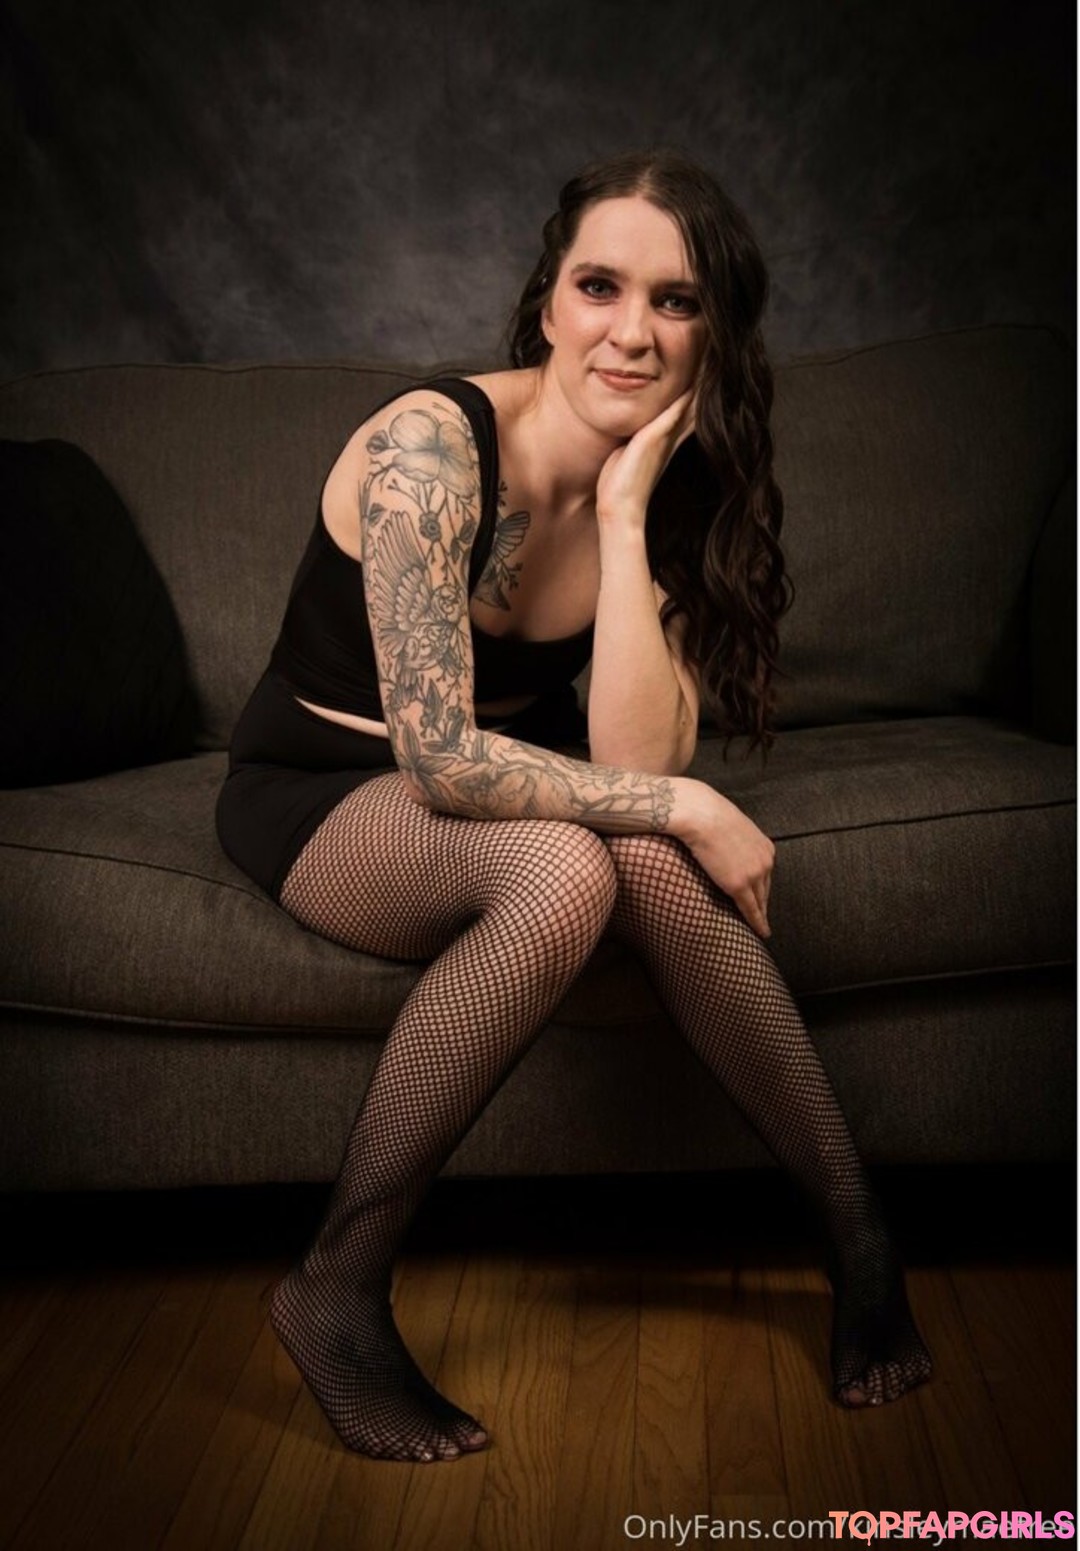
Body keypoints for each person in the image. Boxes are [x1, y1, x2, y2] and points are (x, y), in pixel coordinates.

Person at [215, 148, 933, 1463]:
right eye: (601, 286)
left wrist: (623, 513)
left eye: (677, 300)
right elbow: (443, 759)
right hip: (329, 788)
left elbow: (634, 758)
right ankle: (334, 1288)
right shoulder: (431, 444)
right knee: (578, 866)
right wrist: (692, 810)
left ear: (713, 333)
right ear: (548, 298)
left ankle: (859, 1236)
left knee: (638, 856)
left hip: (524, 790)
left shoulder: (666, 484)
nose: (633, 332)